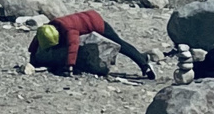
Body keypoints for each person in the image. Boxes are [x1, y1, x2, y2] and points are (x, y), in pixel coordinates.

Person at [29, 10, 157, 78]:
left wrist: (69, 67)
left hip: (97, 23)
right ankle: (143, 58)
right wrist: (32, 56)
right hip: (86, 18)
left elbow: (73, 47)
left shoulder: (69, 30)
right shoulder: (48, 28)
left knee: (120, 45)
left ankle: (145, 66)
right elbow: (37, 39)